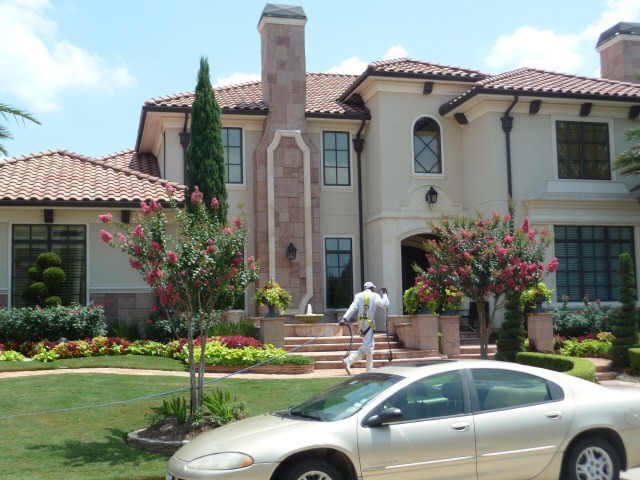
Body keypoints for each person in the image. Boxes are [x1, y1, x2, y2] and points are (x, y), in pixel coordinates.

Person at [339, 281, 388, 375]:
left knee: (371, 345)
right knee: (367, 345)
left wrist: (344, 318)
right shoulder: (375, 296)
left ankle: (369, 370)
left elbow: (352, 308)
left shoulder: (358, 296)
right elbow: (385, 304)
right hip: (369, 323)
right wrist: (385, 293)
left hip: (361, 323)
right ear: (372, 288)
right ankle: (349, 360)